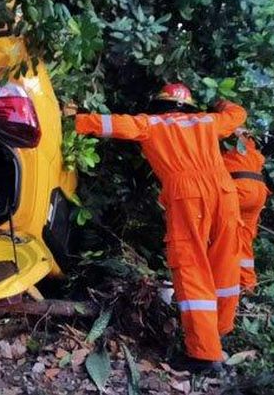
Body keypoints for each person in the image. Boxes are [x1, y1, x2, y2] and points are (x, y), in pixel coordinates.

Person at [74, 83, 246, 374]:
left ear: (160, 105)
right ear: (187, 106)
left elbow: (112, 124)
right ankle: (220, 332)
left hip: (187, 194)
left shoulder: (151, 123)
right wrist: (222, 102)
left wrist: (73, 119)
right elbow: (238, 115)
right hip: (225, 191)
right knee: (226, 263)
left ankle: (204, 354)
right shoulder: (208, 121)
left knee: (192, 266)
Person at [221, 129, 270, 295]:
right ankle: (247, 285)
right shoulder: (246, 142)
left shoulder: (215, 141)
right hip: (258, 191)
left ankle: (224, 281)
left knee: (222, 236)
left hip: (238, 187)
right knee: (245, 238)